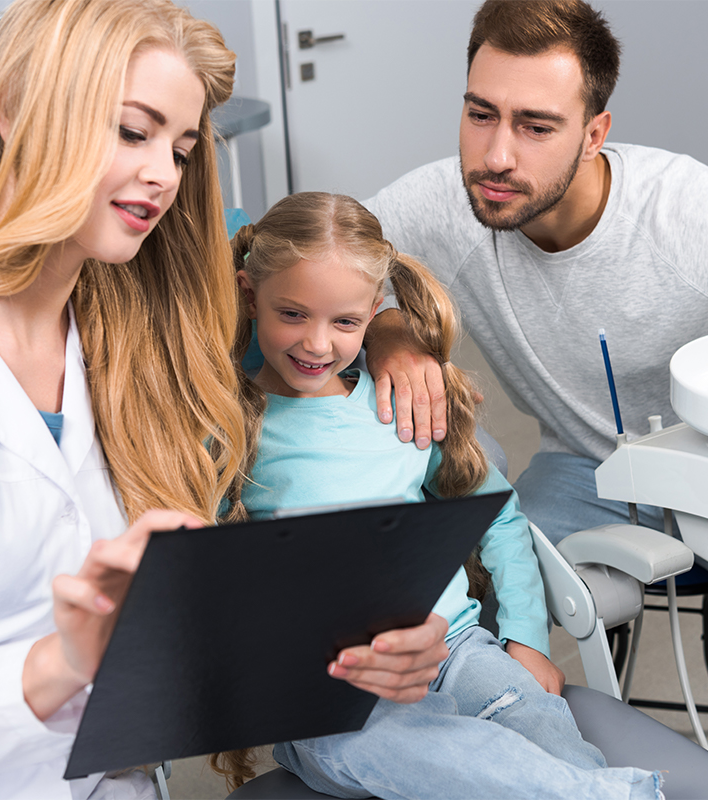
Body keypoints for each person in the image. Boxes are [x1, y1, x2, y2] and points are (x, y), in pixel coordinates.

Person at [0, 2, 446, 797]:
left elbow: (319, 301)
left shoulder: (141, 346)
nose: (164, 173)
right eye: (134, 132)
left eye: (182, 147)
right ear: (15, 112)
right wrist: (66, 659)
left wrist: (368, 638)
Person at [361, 1, 708, 797]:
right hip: (585, 473)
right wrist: (386, 326)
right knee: (458, 609)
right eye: (480, 113)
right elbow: (315, 256)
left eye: (536, 125)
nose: (496, 153)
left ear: (595, 132)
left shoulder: (698, 214)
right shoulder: (445, 202)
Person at [217, 190, 662, 800]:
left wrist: (526, 638)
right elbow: (213, 581)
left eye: (344, 322)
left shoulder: (400, 407)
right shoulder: (235, 429)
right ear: (250, 295)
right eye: (292, 314)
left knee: (534, 719)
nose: (317, 344)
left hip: (453, 646)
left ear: (375, 312)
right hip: (329, 689)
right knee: (375, 742)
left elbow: (498, 516)